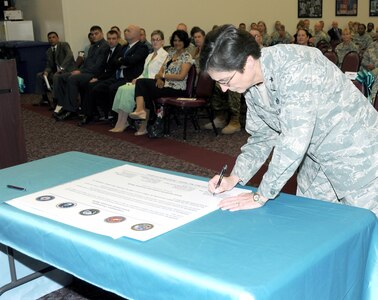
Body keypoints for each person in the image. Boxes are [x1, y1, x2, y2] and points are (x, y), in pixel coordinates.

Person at [200, 25, 378, 216]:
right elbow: (262, 136)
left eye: (225, 80)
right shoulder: (251, 84)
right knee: (311, 220)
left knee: (365, 225)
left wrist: (261, 195)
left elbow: (294, 140)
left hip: (356, 152)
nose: (224, 89)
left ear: (248, 62)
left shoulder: (295, 68)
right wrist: (234, 177)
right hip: (315, 156)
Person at [129, 30, 193, 125]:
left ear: (185, 42)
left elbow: (181, 76)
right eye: (175, 40)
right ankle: (141, 111)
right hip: (165, 84)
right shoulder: (171, 54)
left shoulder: (187, 56)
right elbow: (159, 72)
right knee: (141, 82)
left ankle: (149, 115)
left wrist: (162, 76)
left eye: (180, 40)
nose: (177, 43)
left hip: (177, 88)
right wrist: (159, 79)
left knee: (143, 86)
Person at [110, 30, 168, 135]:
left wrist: (140, 80)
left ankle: (128, 122)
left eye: (157, 40)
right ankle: (122, 121)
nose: (155, 42)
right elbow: (144, 72)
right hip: (143, 81)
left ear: (163, 42)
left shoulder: (165, 55)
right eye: (153, 40)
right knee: (122, 88)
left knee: (130, 90)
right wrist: (137, 78)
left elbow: (160, 73)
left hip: (152, 82)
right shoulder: (150, 55)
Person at [53, 25, 109, 121]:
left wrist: (80, 71)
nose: (94, 36)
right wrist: (77, 70)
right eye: (92, 34)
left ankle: (71, 110)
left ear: (102, 34)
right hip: (86, 71)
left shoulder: (104, 46)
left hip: (95, 74)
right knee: (62, 77)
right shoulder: (92, 47)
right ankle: (64, 106)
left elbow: (98, 66)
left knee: (72, 78)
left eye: (96, 33)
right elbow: (86, 63)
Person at [78, 30, 123, 125]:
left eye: (113, 39)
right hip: (105, 76)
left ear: (118, 39)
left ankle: (91, 114)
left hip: (114, 77)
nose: (111, 41)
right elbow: (102, 67)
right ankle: (93, 113)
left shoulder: (120, 50)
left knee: (94, 87)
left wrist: (98, 78)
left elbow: (112, 70)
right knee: (86, 84)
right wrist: (96, 76)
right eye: (109, 39)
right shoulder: (107, 50)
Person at [34, 31, 75, 109]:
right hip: (56, 71)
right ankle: (45, 98)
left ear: (58, 38)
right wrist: (46, 71)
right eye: (49, 38)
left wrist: (62, 68)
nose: (51, 39)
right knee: (40, 75)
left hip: (67, 70)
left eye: (53, 37)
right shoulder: (49, 51)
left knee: (56, 76)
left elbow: (69, 55)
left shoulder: (64, 45)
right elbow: (49, 65)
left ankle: (56, 100)